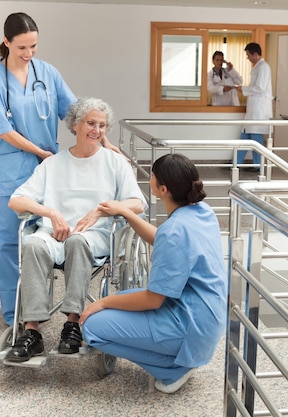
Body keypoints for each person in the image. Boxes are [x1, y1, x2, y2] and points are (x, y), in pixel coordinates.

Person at [0, 13, 118, 326]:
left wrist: (103, 139)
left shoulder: (47, 73)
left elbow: (78, 113)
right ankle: (14, 312)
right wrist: (39, 150)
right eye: (22, 48)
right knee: (8, 241)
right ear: (6, 42)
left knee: (45, 234)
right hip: (15, 164)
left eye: (34, 47)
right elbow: (3, 129)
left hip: (48, 165)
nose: (29, 54)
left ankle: (44, 305)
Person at [5, 98, 146, 361]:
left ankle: (72, 324)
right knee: (32, 244)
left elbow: (137, 203)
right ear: (75, 126)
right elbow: (16, 200)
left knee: (77, 241)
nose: (97, 130)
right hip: (53, 233)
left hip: (94, 236)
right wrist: (50, 213)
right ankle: (32, 331)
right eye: (91, 123)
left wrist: (102, 210)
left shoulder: (115, 163)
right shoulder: (53, 164)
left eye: (102, 126)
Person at [80, 153, 227, 394]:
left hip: (190, 325)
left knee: (92, 326)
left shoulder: (175, 230)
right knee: (124, 298)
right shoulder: (202, 212)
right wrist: (127, 213)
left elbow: (152, 299)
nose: (149, 179)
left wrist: (102, 302)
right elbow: (162, 238)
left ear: (162, 189)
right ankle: (178, 359)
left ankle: (173, 368)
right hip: (207, 316)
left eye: (152, 176)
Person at [236, 42, 273, 172]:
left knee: (256, 139)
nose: (247, 58)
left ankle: (258, 165)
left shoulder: (263, 67)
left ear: (255, 54)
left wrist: (243, 89)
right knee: (245, 136)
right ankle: (236, 163)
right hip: (253, 109)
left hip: (259, 110)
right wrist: (244, 90)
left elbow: (260, 87)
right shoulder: (258, 66)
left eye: (248, 55)